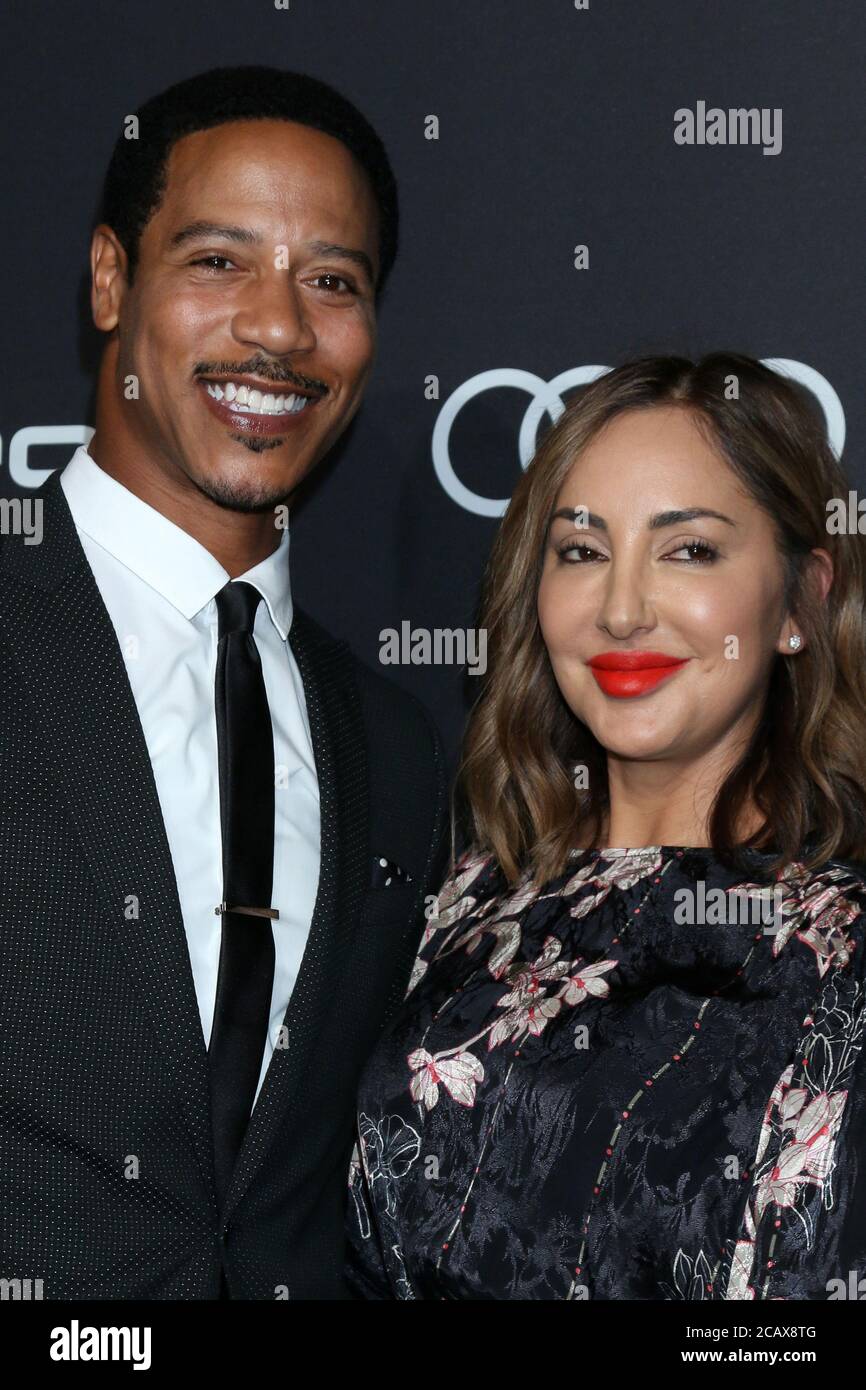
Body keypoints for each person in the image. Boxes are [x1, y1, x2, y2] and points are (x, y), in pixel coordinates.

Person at [0, 65, 448, 1300]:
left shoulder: (398, 747)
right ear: (108, 279)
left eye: (332, 281)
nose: (278, 327)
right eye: (218, 261)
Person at [347, 352, 866, 1300]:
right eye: (582, 551)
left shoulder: (842, 948)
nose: (622, 610)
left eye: (689, 549)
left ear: (800, 600)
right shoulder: (471, 899)